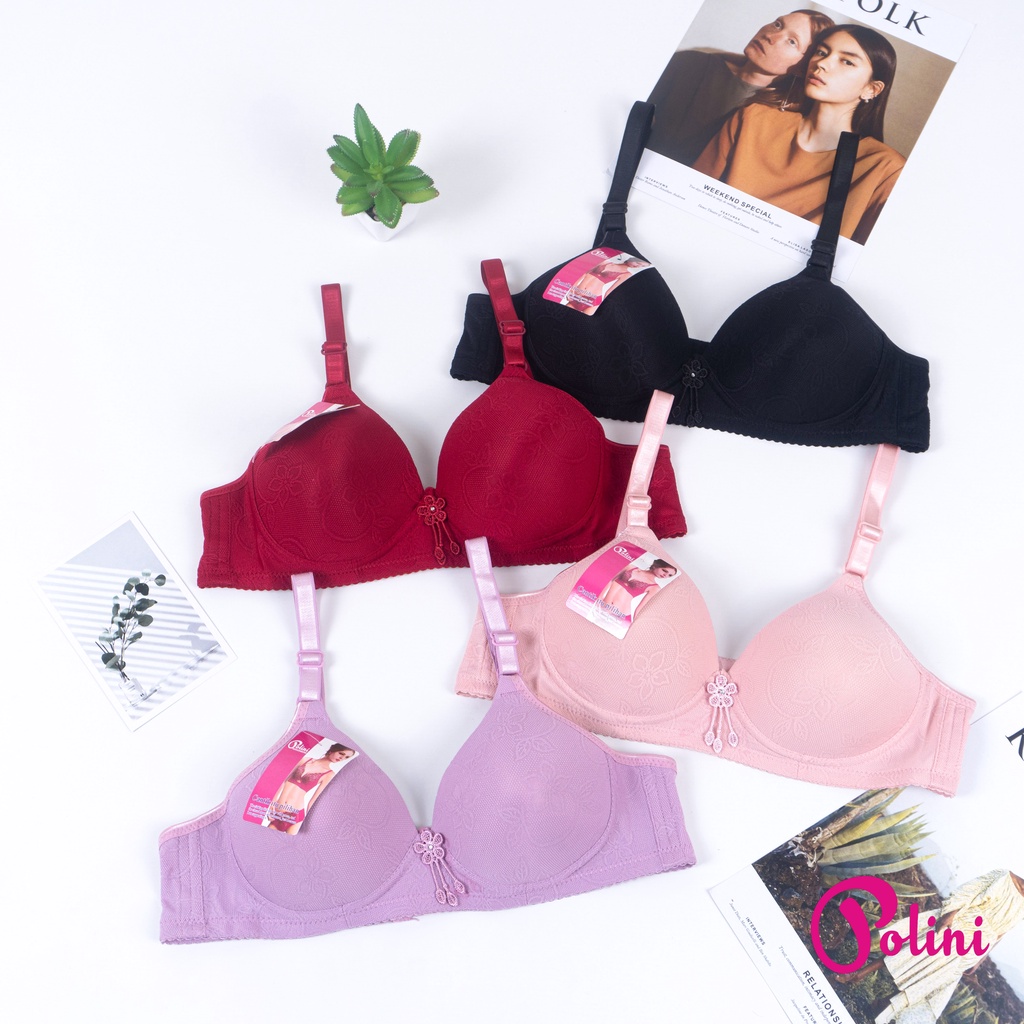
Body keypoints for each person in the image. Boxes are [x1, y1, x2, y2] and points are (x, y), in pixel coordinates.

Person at [693, 24, 905, 244]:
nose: (822, 63)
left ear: (871, 89)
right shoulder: (754, 119)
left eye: (847, 61)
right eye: (821, 52)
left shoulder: (885, 169)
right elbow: (692, 191)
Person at [646, 10, 834, 166]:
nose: (771, 35)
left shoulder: (781, 117)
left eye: (792, 41)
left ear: (802, 68)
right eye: (778, 24)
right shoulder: (691, 63)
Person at [873, 869, 1024, 1023]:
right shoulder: (1004, 877)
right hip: (961, 926)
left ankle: (885, 1005)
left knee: (934, 979)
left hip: (976, 947)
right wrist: (951, 914)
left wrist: (980, 960)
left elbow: (1001, 933)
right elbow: (971, 891)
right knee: (913, 954)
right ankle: (864, 978)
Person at [265, 742, 356, 834]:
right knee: (264, 837)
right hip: (279, 810)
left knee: (290, 842)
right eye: (341, 753)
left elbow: (313, 801)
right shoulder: (305, 760)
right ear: (333, 750)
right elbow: (283, 780)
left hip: (296, 815)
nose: (342, 758)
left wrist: (308, 822)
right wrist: (272, 802)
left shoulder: (329, 774)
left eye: (346, 757)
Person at [597, 559, 677, 620]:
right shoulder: (630, 567)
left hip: (620, 614)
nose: (665, 575)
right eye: (664, 570)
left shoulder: (655, 587)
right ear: (656, 565)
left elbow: (640, 609)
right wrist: (599, 598)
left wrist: (633, 625)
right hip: (603, 604)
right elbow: (609, 580)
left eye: (670, 575)